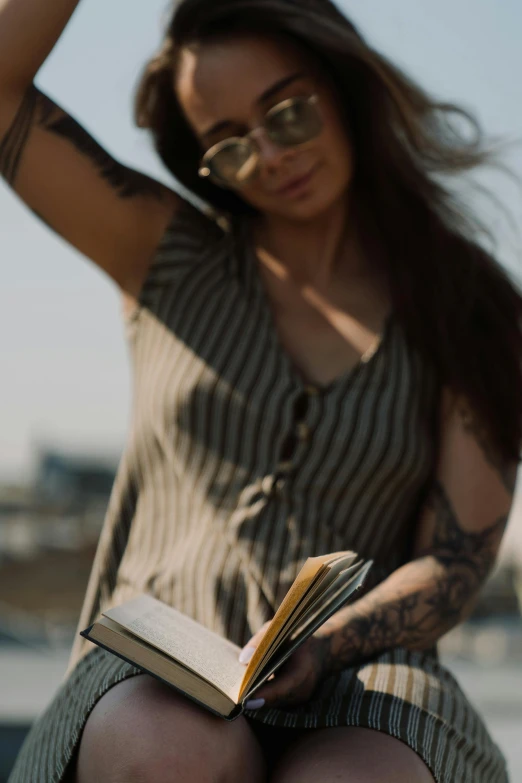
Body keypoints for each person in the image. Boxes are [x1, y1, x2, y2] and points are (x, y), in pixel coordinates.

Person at [1, 0, 521, 781]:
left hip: (368, 668)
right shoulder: (163, 254)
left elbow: (452, 558)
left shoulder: (471, 305)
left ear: (345, 85)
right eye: (230, 146)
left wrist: (325, 645)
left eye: (289, 112)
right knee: (166, 747)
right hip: (159, 663)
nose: (271, 155)